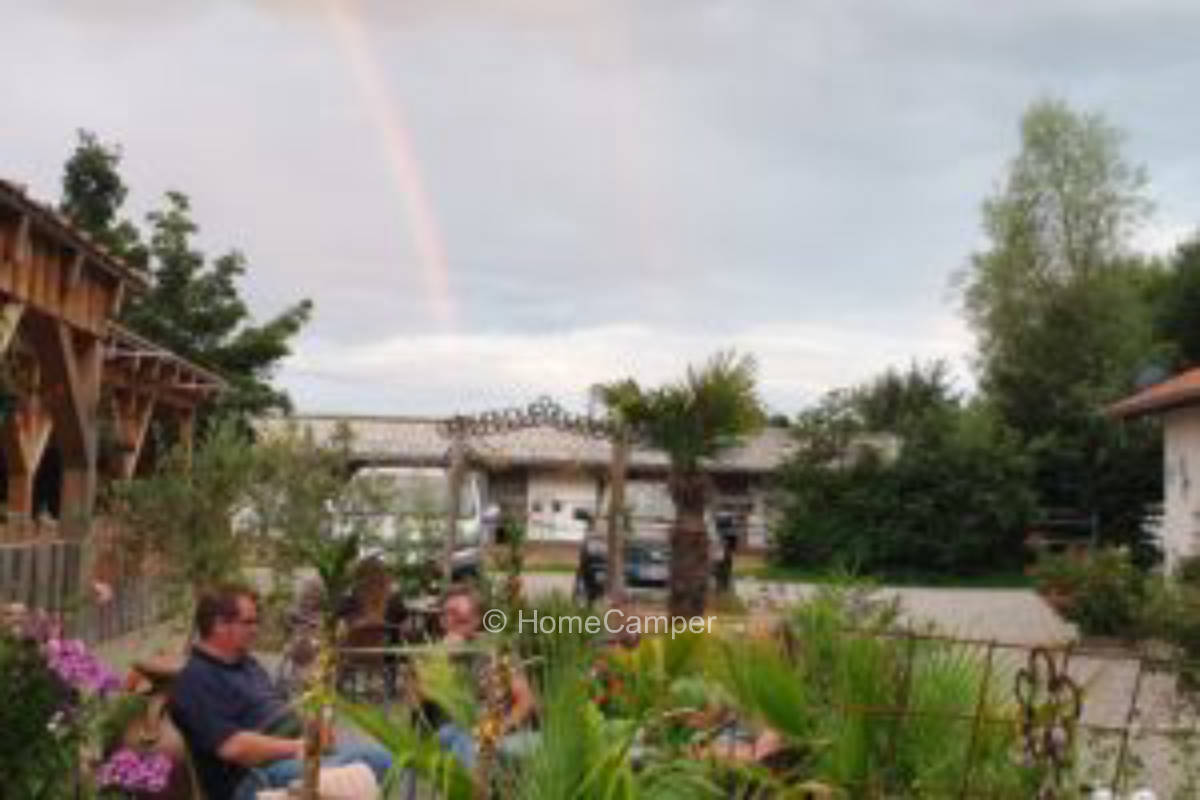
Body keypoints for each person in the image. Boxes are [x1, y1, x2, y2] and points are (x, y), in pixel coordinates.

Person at [169, 583, 397, 800]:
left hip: (291, 757)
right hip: (255, 778)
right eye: (248, 622)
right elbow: (232, 747)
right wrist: (301, 747)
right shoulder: (197, 678)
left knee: (382, 758)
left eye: (256, 622)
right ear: (219, 624)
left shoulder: (246, 663)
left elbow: (279, 708)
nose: (256, 630)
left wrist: (314, 729)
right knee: (374, 766)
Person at [426, 584, 537, 769]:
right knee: (454, 736)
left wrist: (499, 728)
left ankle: (469, 783)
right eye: (451, 613)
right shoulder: (433, 654)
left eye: (465, 614)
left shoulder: (495, 649)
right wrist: (442, 658)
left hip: (494, 729)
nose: (459, 619)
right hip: (452, 731)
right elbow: (418, 701)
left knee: (466, 741)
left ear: (477, 619)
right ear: (441, 621)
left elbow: (526, 700)